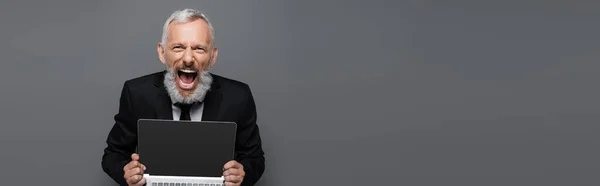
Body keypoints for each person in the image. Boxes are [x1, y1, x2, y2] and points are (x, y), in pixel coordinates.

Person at [101, 8, 265, 186]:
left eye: (199, 48)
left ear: (212, 56)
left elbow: (254, 158)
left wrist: (243, 173)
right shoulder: (137, 93)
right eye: (178, 47)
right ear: (162, 52)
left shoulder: (238, 97)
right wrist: (126, 171)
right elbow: (113, 154)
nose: (188, 58)